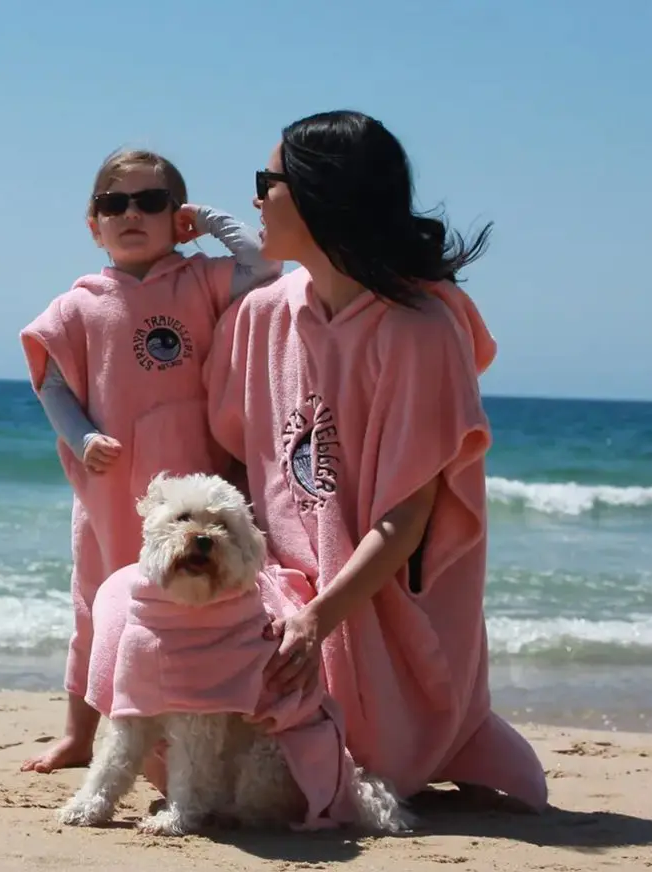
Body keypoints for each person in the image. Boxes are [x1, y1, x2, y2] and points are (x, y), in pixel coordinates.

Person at [203, 110, 548, 810]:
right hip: (280, 592)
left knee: (370, 765)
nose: (255, 199)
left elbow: (408, 515)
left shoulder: (420, 332)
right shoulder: (259, 316)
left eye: (266, 182)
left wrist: (317, 619)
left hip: (375, 606)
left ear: (319, 194)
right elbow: (237, 468)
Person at [19, 148, 282, 774]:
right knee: (97, 604)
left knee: (205, 607)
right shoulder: (78, 303)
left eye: (151, 202)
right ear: (93, 224)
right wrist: (82, 438)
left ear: (177, 217)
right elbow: (51, 384)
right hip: (110, 485)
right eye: (115, 204)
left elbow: (267, 263)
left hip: (192, 483)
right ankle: (80, 734)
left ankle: (206, 726)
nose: (130, 214)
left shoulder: (200, 280)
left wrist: (207, 218)